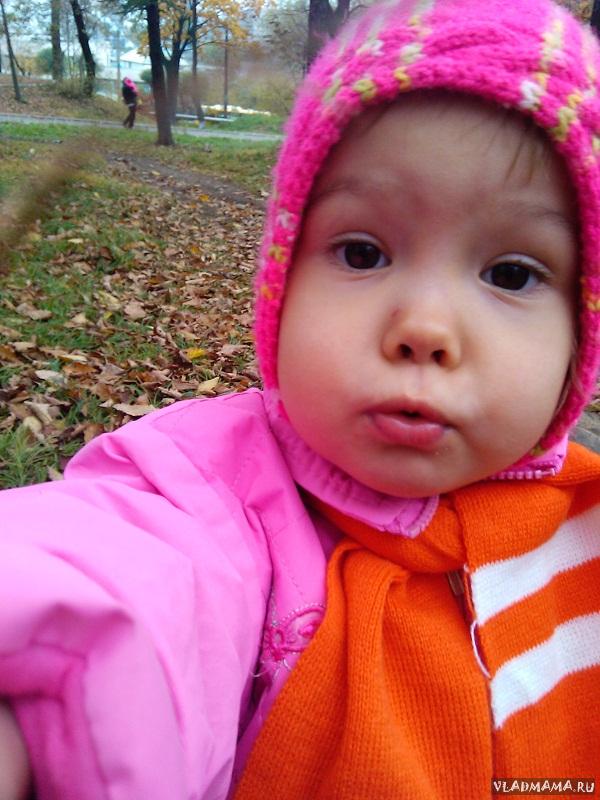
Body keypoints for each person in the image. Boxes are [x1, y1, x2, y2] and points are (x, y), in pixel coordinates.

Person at [1, 0, 600, 797]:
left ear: (579, 335)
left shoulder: (584, 528)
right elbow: (112, 577)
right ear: (283, 280)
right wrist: (32, 696)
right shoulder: (220, 493)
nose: (424, 328)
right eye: (362, 253)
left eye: (511, 274)